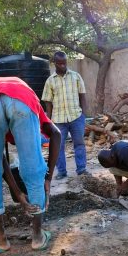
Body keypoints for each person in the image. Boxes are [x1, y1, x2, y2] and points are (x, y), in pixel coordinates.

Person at [0, 76, 61, 253]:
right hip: (22, 100)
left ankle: (0, 239)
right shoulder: (31, 101)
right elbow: (57, 134)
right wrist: (46, 180)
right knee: (34, 169)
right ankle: (37, 237)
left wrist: (19, 194)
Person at [42, 51, 89, 179]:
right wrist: (49, 121)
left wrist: (83, 115)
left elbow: (82, 96)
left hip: (76, 116)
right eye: (60, 63)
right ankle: (62, 172)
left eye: (65, 63)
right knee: (58, 146)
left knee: (79, 143)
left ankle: (81, 168)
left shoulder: (76, 76)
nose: (63, 65)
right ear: (55, 63)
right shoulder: (50, 81)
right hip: (58, 119)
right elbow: (48, 102)